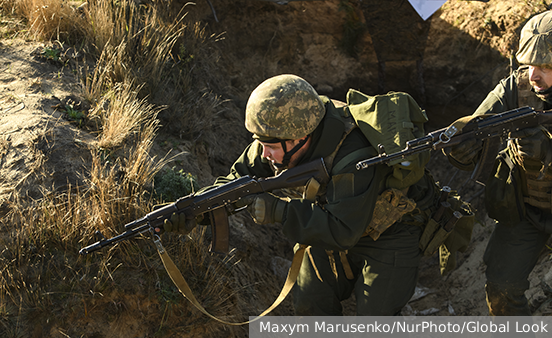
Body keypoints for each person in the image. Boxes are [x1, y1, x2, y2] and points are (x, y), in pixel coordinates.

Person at [166, 74, 438, 315]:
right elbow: (235, 181)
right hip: (328, 219)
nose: (263, 154)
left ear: (300, 138)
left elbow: (343, 231)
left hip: (390, 233)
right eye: (259, 143)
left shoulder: (352, 155)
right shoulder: (277, 138)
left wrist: (279, 211)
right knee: (310, 304)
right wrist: (195, 212)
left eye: (269, 146)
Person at [447, 10, 552, 316]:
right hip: (526, 209)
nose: (533, 75)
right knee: (501, 287)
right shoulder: (515, 89)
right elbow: (475, 128)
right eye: (529, 64)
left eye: (545, 67)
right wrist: (460, 149)